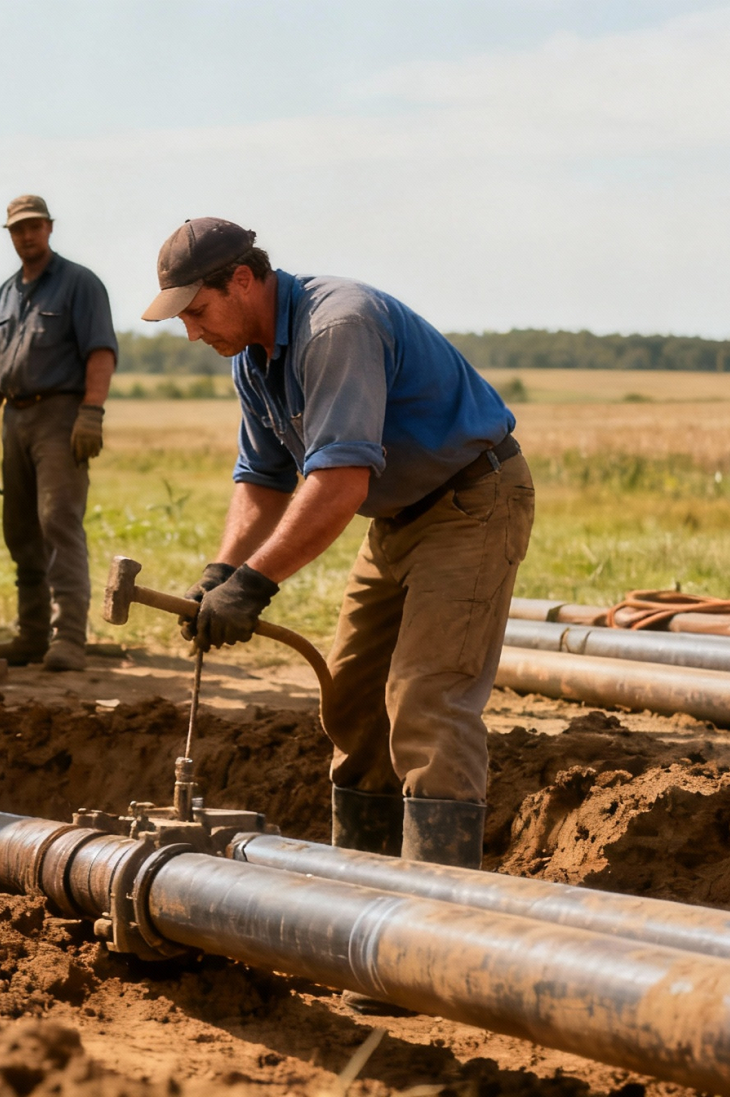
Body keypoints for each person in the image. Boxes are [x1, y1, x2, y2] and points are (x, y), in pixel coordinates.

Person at [143, 216, 532, 870]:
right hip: (398, 518)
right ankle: (360, 893)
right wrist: (222, 569)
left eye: (198, 311)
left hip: (471, 502)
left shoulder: (337, 328)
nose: (191, 330)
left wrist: (255, 583)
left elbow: (339, 483)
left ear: (243, 280)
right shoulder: (254, 361)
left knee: (425, 699)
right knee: (351, 699)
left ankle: (437, 914)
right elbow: (264, 480)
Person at [0, 195, 119, 672]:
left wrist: (91, 412)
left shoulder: (79, 284)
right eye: (17, 229)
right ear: (9, 235)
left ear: (50, 228)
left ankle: (69, 640)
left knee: (58, 523)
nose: (27, 236)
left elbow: (100, 351)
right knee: (21, 531)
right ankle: (31, 635)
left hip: (60, 417)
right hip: (16, 418)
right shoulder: (6, 294)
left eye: (34, 227)